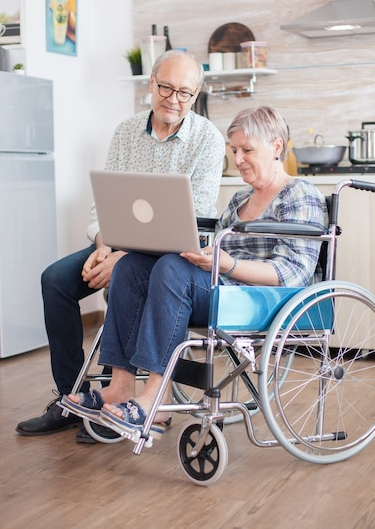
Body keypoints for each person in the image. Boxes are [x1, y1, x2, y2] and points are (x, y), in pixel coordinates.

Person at [61, 105, 328, 439]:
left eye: (247, 150)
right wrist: (202, 254)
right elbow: (220, 255)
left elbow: (292, 273)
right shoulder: (240, 199)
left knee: (173, 269)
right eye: (234, 150)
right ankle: (121, 386)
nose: (239, 158)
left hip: (263, 297)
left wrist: (224, 264)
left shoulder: (300, 193)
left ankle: (155, 397)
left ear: (276, 147)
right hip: (222, 287)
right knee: (130, 267)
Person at [16, 50, 225, 439]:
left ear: (195, 95)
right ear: (151, 83)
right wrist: (102, 245)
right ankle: (71, 398)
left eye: (185, 93)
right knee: (55, 280)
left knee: (130, 273)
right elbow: (105, 202)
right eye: (166, 87)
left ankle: (121, 400)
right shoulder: (127, 132)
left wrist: (123, 256)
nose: (173, 99)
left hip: (169, 254)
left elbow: (192, 219)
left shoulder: (207, 140)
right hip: (116, 243)